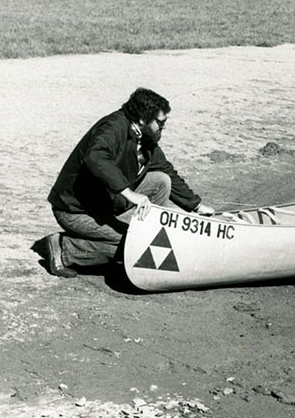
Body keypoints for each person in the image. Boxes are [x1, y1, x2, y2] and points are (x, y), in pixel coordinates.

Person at [37, 87, 214, 277]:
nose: (163, 127)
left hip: (105, 203)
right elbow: (96, 157)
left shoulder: (146, 136)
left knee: (161, 180)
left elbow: (166, 169)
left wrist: (196, 206)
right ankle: (64, 249)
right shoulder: (113, 127)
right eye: (160, 123)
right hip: (74, 210)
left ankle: (149, 232)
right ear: (142, 119)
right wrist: (129, 193)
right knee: (136, 246)